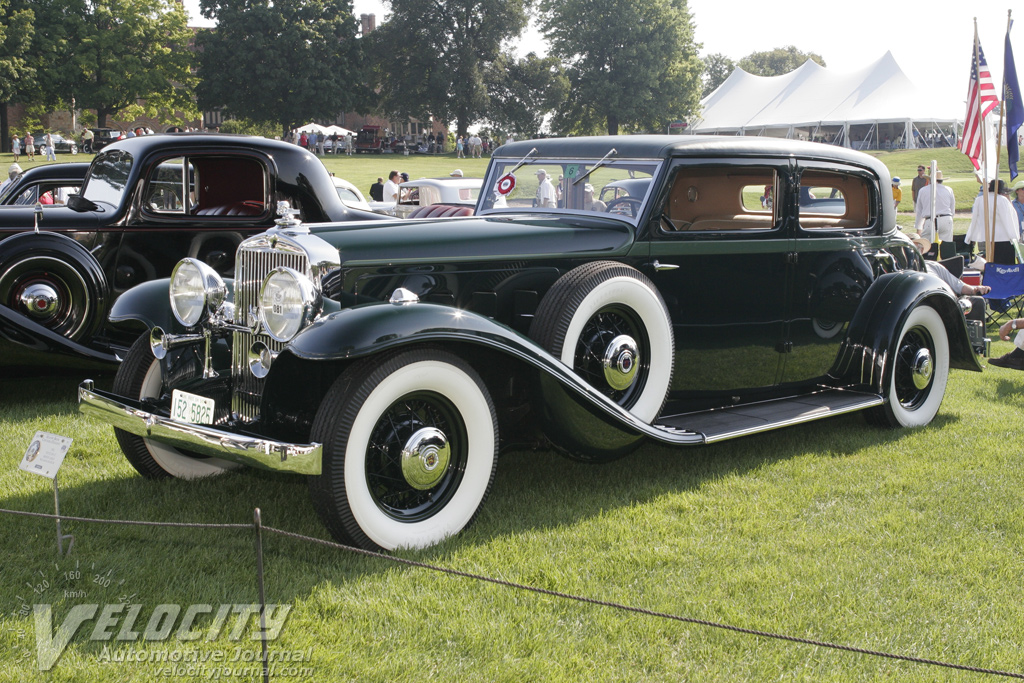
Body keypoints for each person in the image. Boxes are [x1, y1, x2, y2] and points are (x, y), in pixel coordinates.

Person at [965, 179, 1019, 265]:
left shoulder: (980, 200)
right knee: (1004, 265)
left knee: (994, 263)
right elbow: (1009, 220)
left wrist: (970, 236)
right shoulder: (1002, 200)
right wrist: (1014, 237)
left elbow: (974, 219)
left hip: (988, 237)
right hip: (1004, 238)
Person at [913, 169, 954, 247]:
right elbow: (952, 210)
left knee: (926, 247)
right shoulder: (949, 190)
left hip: (930, 220)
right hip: (946, 219)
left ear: (929, 180)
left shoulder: (922, 190)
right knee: (946, 246)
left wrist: (918, 227)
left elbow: (919, 211)